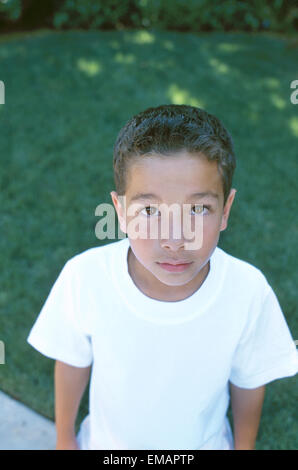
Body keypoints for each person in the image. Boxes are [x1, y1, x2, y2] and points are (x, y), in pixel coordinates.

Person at [27, 104, 297, 450]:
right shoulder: (86, 277)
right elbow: (71, 359)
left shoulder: (247, 290)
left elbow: (249, 381)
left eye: (198, 209)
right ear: (121, 212)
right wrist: (64, 438)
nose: (174, 238)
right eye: (150, 210)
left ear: (225, 210)